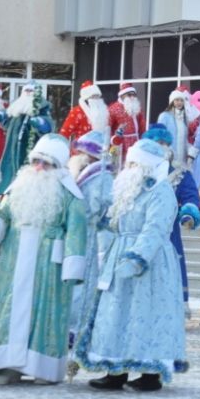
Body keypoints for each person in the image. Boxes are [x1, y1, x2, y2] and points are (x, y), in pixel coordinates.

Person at [76, 138, 188, 391]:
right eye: (130, 162)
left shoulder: (161, 191)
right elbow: (116, 222)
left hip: (151, 263)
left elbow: (155, 229)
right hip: (119, 256)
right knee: (115, 313)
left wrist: (138, 257)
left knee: (146, 313)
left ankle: (151, 373)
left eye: (137, 163)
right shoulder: (126, 189)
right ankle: (115, 369)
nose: (131, 167)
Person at [0, 134, 87, 385]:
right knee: (10, 310)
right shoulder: (17, 187)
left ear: (58, 167)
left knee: (44, 314)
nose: (38, 167)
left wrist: (72, 264)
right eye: (36, 161)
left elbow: (77, 229)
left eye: (45, 163)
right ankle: (6, 365)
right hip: (15, 261)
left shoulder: (69, 194)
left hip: (48, 264)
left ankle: (43, 368)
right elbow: (2, 214)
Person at [143, 124, 200, 309]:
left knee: (168, 268)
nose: (160, 147)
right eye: (156, 142)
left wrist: (189, 213)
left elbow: (190, 196)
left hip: (168, 233)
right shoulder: (138, 171)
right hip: (140, 231)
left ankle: (168, 308)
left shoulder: (179, 173)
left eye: (163, 143)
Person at [65, 130, 114, 345]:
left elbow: (102, 207)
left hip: (86, 234)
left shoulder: (101, 177)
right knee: (72, 279)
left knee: (82, 280)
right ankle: (69, 324)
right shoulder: (81, 173)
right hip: (74, 233)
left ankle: (78, 327)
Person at [0, 81, 53, 195]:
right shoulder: (16, 107)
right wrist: (1, 118)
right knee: (8, 171)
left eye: (31, 91)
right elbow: (8, 124)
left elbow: (48, 126)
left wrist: (41, 123)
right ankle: (4, 195)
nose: (28, 93)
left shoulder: (41, 108)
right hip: (11, 148)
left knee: (27, 171)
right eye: (26, 90)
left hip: (29, 148)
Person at [156, 86, 198, 166]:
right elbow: (159, 136)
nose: (179, 102)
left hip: (182, 157)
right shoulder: (164, 116)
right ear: (172, 101)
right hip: (169, 155)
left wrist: (191, 150)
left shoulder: (185, 118)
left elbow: (184, 139)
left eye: (181, 100)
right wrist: (165, 151)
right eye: (177, 100)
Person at [60, 80, 109, 145]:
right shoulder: (77, 111)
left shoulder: (104, 111)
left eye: (97, 96)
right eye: (93, 96)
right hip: (81, 150)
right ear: (86, 98)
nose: (96, 99)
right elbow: (64, 132)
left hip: (100, 149)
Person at [107, 82, 146, 159]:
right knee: (117, 164)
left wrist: (144, 138)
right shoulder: (113, 108)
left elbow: (142, 125)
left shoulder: (137, 108)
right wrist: (113, 139)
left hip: (136, 141)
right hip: (120, 143)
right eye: (129, 94)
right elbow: (107, 128)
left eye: (134, 95)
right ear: (122, 95)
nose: (132, 97)